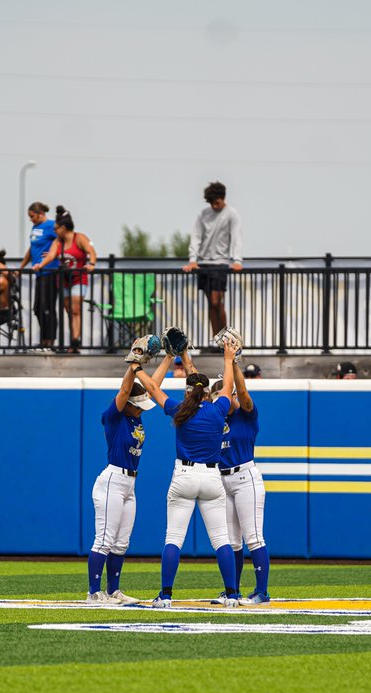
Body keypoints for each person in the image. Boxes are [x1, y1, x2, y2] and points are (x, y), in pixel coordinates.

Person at [136, 337, 242, 608]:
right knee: (222, 540)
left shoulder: (180, 408)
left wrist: (138, 366)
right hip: (211, 478)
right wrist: (228, 359)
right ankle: (231, 594)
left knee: (174, 538)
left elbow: (151, 388)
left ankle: (166, 595)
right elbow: (227, 385)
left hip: (183, 476)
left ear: (187, 392)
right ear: (208, 392)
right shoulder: (219, 408)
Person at [86, 362, 160, 605]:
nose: (141, 410)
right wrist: (133, 365)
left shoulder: (134, 415)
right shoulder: (114, 417)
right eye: (137, 406)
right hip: (113, 480)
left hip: (130, 483)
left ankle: (113, 590)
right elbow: (123, 391)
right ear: (128, 403)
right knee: (105, 538)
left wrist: (168, 358)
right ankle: (94, 593)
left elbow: (152, 387)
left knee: (121, 542)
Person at [211, 358, 270, 604]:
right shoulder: (218, 419)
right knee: (232, 540)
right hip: (223, 479)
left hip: (246, 476)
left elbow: (244, 392)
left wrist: (233, 363)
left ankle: (261, 592)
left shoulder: (246, 414)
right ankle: (232, 590)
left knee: (254, 536)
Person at [183, 182, 243, 340]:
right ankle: (216, 338)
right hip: (203, 263)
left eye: (216, 202)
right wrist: (192, 260)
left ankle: (226, 339)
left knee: (217, 302)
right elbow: (196, 236)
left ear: (223, 198)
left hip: (221, 262)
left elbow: (236, 237)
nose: (214, 206)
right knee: (210, 303)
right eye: (211, 203)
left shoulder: (232, 214)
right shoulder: (203, 214)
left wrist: (237, 260)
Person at [32, 207, 97, 353]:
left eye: (56, 228)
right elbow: (51, 256)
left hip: (79, 279)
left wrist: (91, 264)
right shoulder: (58, 242)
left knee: (75, 310)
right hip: (63, 280)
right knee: (68, 310)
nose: (54, 231)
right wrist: (40, 265)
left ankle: (75, 340)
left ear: (64, 227)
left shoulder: (79, 238)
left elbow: (91, 252)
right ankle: (73, 342)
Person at [19, 201, 59, 351]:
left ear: (41, 213)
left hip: (50, 271)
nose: (31, 219)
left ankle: (50, 341)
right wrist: (21, 267)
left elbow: (63, 239)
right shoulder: (35, 227)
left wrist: (53, 254)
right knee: (38, 308)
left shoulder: (51, 225)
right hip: (39, 272)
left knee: (47, 307)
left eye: (32, 216)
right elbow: (32, 248)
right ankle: (44, 339)